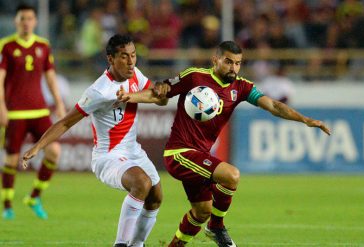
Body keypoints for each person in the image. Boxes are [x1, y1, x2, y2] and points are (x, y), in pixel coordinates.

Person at [116, 41, 331, 247]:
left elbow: (274, 105)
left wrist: (305, 120)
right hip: (179, 153)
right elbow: (159, 93)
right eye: (228, 61)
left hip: (199, 156)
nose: (234, 67)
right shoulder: (194, 77)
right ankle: (217, 227)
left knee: (202, 211)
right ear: (215, 60)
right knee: (231, 175)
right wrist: (130, 96)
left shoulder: (242, 87)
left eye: (238, 63)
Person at [22, 34, 166, 247]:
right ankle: (121, 244)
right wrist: (38, 146)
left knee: (155, 197)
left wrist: (144, 94)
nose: (131, 62)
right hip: (108, 157)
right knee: (141, 183)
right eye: (124, 57)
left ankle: (137, 244)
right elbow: (65, 122)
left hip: (134, 150)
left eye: (133, 56)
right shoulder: (99, 90)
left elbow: (160, 99)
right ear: (110, 59)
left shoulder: (135, 74)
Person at [0, 4, 66, 220]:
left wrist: (58, 103)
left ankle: (34, 196)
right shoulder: (6, 46)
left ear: (35, 21)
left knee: (54, 151)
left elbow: (50, 77)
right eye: (22, 18)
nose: (26, 22)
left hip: (39, 111)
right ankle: (7, 205)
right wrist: (1, 107)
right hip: (16, 113)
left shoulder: (43, 46)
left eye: (29, 18)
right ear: (16, 21)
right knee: (11, 160)